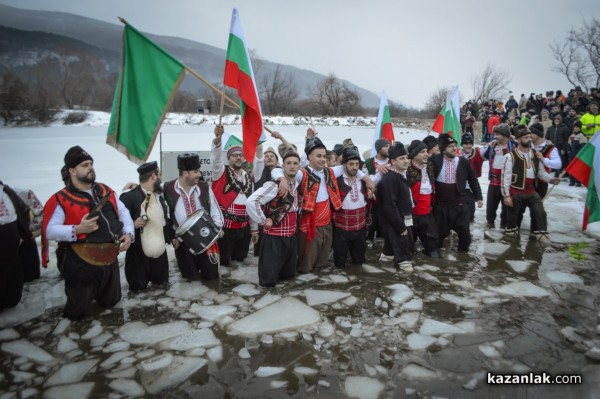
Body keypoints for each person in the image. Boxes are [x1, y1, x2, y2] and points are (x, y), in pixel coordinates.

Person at [42, 146, 133, 320]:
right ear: (72, 170)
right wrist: (77, 230)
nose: (90, 167)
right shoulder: (61, 198)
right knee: (77, 311)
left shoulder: (106, 191)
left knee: (111, 304)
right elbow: (49, 230)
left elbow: (123, 213)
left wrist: (128, 233)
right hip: (81, 262)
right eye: (84, 165)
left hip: (109, 258)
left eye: (91, 163)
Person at [271, 136, 375, 273]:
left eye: (324, 156)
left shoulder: (329, 171)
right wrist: (282, 178)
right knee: (307, 259)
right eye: (318, 156)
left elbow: (350, 168)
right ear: (309, 157)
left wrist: (366, 178)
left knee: (323, 259)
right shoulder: (302, 173)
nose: (322, 159)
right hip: (310, 223)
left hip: (327, 222)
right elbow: (276, 170)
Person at [164, 153, 223, 280]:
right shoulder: (168, 188)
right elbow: (165, 215)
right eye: (196, 171)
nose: (199, 174)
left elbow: (215, 210)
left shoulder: (204, 187)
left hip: (207, 237)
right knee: (189, 278)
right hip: (183, 242)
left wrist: (216, 230)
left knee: (212, 276)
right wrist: (172, 237)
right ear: (185, 173)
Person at [247, 151, 301, 287]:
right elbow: (251, 202)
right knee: (268, 281)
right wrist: (263, 221)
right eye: (288, 163)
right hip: (274, 239)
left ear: (299, 166)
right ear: (283, 166)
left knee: (287, 277)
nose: (292, 166)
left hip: (291, 238)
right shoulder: (274, 185)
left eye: (295, 163)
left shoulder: (296, 183)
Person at [119, 161, 170, 291]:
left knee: (162, 288)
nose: (161, 177)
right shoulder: (129, 197)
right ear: (153, 176)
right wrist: (133, 224)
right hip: (138, 255)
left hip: (160, 253)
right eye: (159, 174)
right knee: (138, 293)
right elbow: (117, 223)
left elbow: (165, 220)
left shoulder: (159, 196)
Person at [502, 126, 560, 239]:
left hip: (531, 191)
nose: (529, 139)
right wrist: (506, 196)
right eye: (526, 137)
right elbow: (506, 177)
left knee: (540, 213)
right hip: (516, 192)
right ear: (518, 139)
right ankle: (512, 242)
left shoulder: (535, 154)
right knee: (514, 218)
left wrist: (551, 179)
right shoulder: (510, 156)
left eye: (529, 136)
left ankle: (540, 237)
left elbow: (540, 172)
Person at [212, 125, 258, 266]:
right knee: (225, 263)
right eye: (235, 155)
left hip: (244, 229)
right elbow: (216, 159)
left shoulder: (249, 178)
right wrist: (217, 141)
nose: (238, 158)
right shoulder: (221, 173)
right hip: (226, 228)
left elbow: (252, 204)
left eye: (240, 155)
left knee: (240, 261)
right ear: (229, 158)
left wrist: (254, 229)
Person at [431, 134, 483, 252]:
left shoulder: (463, 162)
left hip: (459, 205)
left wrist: (478, 197)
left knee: (465, 236)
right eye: (450, 146)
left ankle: (463, 258)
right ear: (443, 149)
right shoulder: (435, 160)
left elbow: (473, 180)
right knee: (438, 236)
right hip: (441, 207)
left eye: (455, 145)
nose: (454, 148)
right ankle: (436, 261)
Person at [378, 142, 414, 268]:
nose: (406, 161)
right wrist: (400, 226)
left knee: (390, 252)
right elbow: (389, 206)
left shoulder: (403, 174)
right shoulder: (389, 178)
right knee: (405, 260)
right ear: (393, 161)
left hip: (404, 218)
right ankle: (405, 285)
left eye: (407, 158)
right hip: (394, 222)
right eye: (402, 158)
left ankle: (384, 264)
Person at [332, 146, 369, 269]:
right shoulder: (337, 182)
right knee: (339, 262)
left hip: (360, 227)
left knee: (359, 261)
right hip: (341, 228)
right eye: (351, 164)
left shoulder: (363, 181)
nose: (354, 167)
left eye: (357, 164)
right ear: (344, 165)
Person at [0, 181, 32, 312]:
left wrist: (22, 234)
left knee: (13, 275)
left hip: (11, 244)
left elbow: (23, 210)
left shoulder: (5, 189)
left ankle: (11, 300)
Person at [406, 140, 439, 258]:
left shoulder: (430, 165)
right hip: (411, 215)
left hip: (427, 213)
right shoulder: (406, 169)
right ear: (414, 155)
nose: (426, 154)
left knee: (433, 249)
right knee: (408, 249)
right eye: (422, 152)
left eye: (426, 151)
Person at [482, 124, 517, 229]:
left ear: (505, 135)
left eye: (497, 134)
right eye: (494, 134)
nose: (495, 137)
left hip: (507, 182)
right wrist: (488, 146)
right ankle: (490, 223)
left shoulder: (514, 146)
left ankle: (504, 226)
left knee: (506, 208)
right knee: (490, 207)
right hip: (493, 180)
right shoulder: (493, 146)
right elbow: (483, 157)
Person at [363, 138, 390, 244]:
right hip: (372, 202)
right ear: (378, 148)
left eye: (389, 146)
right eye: (386, 146)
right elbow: (364, 179)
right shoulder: (368, 163)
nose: (389, 148)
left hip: (387, 201)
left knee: (384, 230)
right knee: (370, 228)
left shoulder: (392, 161)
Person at [530, 123, 561, 198]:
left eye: (532, 133)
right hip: (527, 181)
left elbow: (558, 164)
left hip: (541, 183)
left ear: (538, 134)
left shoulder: (550, 147)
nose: (529, 135)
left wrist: (543, 159)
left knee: (536, 208)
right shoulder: (528, 144)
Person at [459, 134, 484, 222]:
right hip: (457, 189)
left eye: (470, 143)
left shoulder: (476, 153)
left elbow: (474, 180)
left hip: (469, 188)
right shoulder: (456, 155)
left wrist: (479, 198)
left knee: (470, 212)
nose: (468, 146)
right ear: (461, 145)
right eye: (466, 143)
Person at [568, 121, 587, 187]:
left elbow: (583, 146)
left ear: (580, 128)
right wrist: (568, 150)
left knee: (578, 168)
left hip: (578, 155)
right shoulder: (572, 135)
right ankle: (571, 180)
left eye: (577, 127)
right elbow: (569, 144)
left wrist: (579, 153)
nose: (576, 128)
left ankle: (578, 181)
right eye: (575, 127)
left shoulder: (582, 135)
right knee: (571, 167)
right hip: (571, 154)